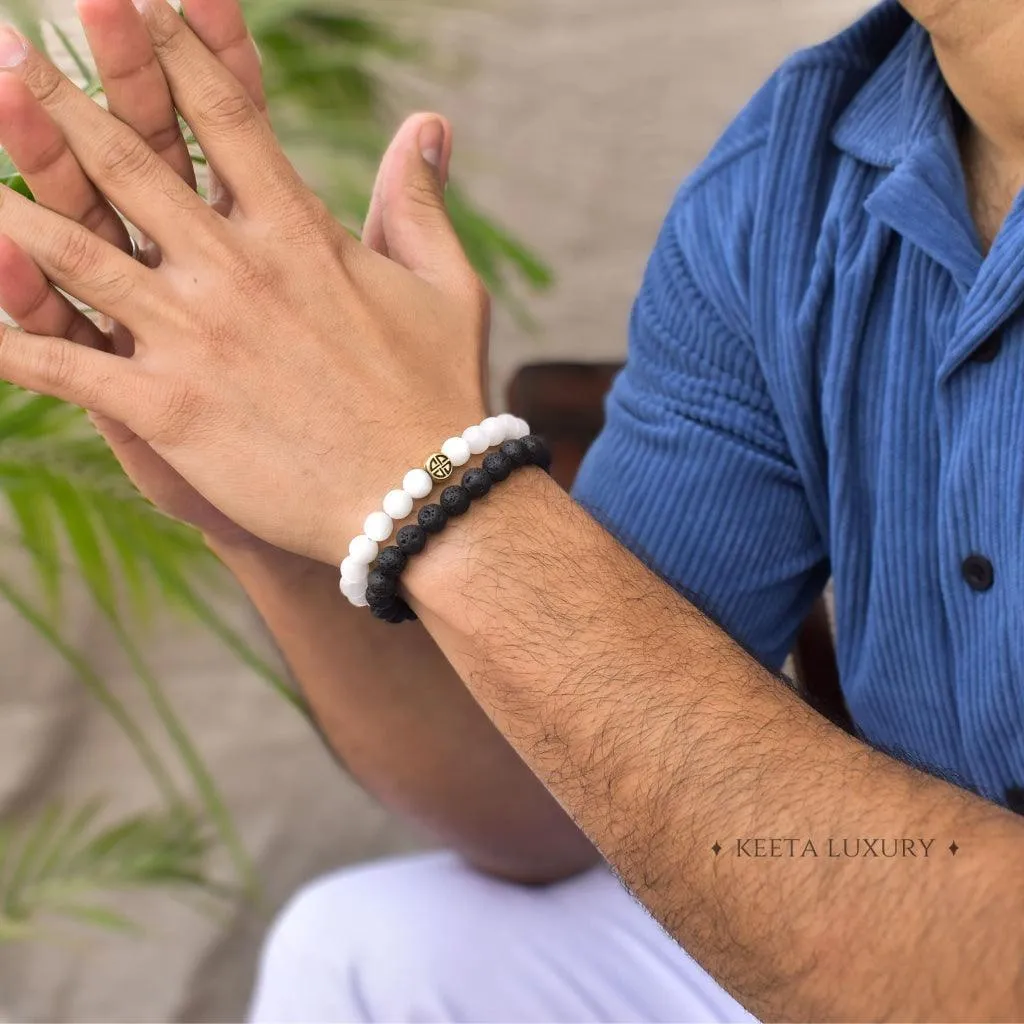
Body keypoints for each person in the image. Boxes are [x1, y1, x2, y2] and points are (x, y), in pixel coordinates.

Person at [0, 0, 1020, 1018]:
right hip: (888, 903)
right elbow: (567, 796)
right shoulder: (791, 170)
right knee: (378, 950)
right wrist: (275, 511)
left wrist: (435, 485)